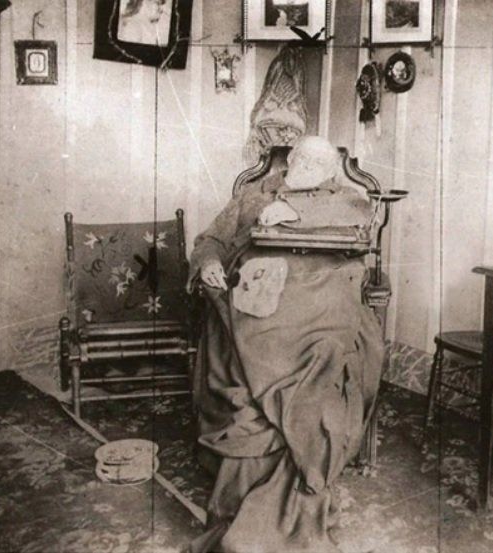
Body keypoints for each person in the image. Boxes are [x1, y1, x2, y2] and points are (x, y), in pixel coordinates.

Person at [187, 136, 384, 553]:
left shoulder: (345, 197)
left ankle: (300, 448)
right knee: (242, 365)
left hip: (320, 301)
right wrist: (208, 262)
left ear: (331, 171)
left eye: (320, 164)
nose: (310, 167)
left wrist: (295, 211)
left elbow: (362, 212)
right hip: (259, 304)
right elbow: (211, 239)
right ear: (290, 159)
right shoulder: (252, 194)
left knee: (327, 356)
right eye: (304, 159)